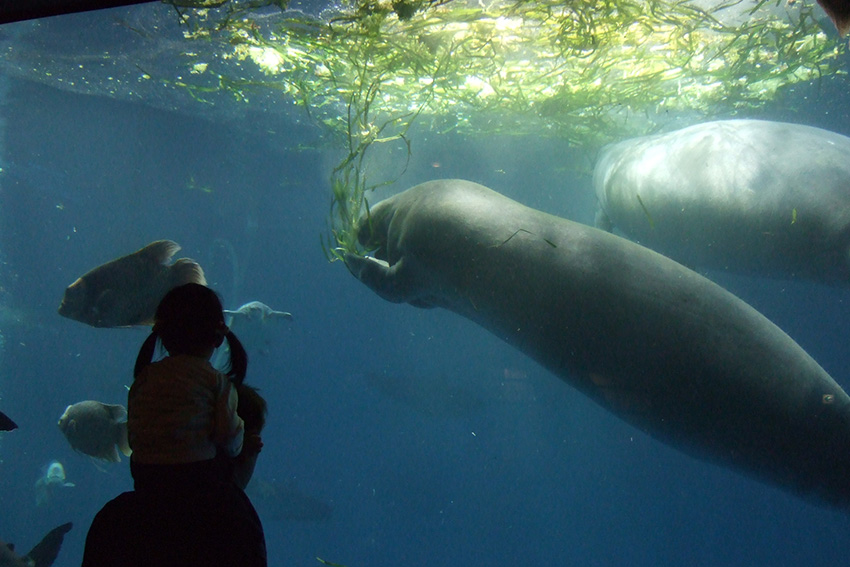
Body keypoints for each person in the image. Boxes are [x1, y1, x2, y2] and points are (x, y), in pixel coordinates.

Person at [82, 283, 267, 567]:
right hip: (198, 485)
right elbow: (229, 439)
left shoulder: (143, 379)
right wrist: (245, 445)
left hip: (147, 481)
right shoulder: (216, 382)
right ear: (219, 336)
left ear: (162, 337)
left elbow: (137, 434)